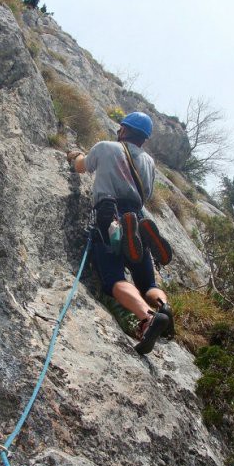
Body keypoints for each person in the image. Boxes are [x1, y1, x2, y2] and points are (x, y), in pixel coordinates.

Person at [66, 112, 174, 355]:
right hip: (137, 218)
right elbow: (146, 194)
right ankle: (164, 307)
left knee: (115, 279)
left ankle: (148, 317)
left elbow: (81, 166)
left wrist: (74, 156)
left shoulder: (106, 147)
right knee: (148, 282)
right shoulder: (149, 162)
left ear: (123, 130)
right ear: (144, 139)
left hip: (109, 215)